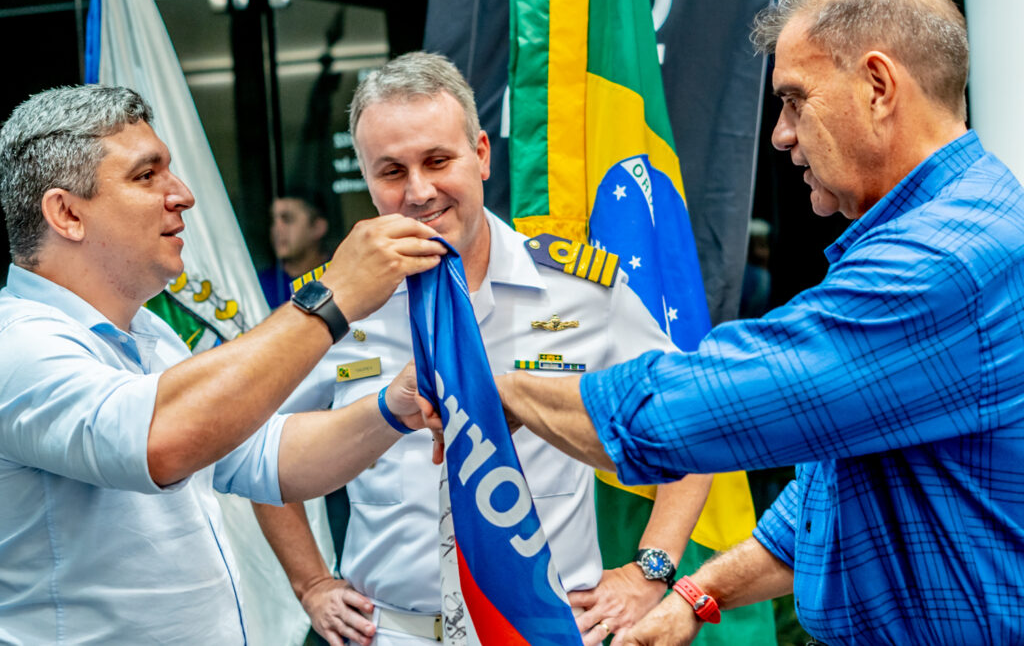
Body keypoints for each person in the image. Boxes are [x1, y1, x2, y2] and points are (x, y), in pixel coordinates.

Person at [494, 0, 1024, 644]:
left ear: (878, 87)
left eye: (795, 99)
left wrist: (499, 388)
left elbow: (691, 412)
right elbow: (837, 482)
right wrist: (696, 593)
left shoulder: (941, 263)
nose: (780, 133)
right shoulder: (956, 221)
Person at [252, 52, 713, 646]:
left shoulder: (581, 290)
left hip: (543, 631)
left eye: (438, 160)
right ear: (366, 179)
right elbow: (252, 441)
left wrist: (652, 571)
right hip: (393, 633)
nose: (418, 192)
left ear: (482, 155)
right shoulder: (331, 305)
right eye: (391, 171)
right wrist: (311, 582)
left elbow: (693, 419)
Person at [0, 84, 448, 643]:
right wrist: (333, 297)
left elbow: (268, 458)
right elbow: (159, 441)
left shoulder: (150, 334)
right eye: (147, 176)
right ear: (66, 213)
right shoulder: (15, 345)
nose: (182, 195)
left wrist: (393, 408)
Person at [259, 195, 330, 308]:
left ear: (318, 227)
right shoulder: (259, 286)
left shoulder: (339, 274)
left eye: (287, 219)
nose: (276, 229)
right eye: (272, 220)